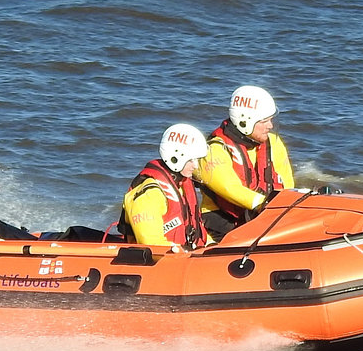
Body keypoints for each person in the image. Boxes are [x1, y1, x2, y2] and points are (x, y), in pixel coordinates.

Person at [196, 84, 294, 239]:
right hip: (223, 221)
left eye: (271, 120)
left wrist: (288, 207)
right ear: (245, 122)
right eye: (264, 121)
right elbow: (230, 188)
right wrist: (266, 204)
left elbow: (287, 184)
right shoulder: (215, 150)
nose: (270, 126)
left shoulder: (274, 143)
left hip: (265, 215)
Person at [116, 123, 210, 251]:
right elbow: (151, 244)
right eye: (191, 160)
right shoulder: (149, 195)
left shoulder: (181, 186)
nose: (196, 166)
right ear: (176, 158)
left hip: (186, 252)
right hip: (157, 261)